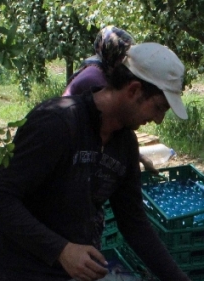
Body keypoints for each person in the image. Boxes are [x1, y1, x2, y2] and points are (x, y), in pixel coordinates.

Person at [0, 42, 190, 281]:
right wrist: (60, 249)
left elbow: (133, 223)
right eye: (159, 106)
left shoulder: (124, 143)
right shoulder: (57, 123)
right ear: (134, 90)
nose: (159, 119)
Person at [64, 26, 158, 172]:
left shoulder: (104, 67)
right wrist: (139, 158)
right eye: (124, 58)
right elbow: (116, 122)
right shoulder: (95, 80)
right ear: (113, 55)